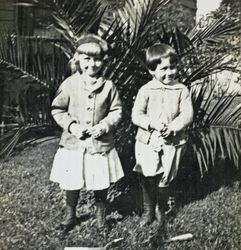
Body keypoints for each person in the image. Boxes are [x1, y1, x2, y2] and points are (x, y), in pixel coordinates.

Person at [50, 34, 124, 230]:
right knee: (71, 180)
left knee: (100, 180)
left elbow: (116, 111)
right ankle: (70, 214)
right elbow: (57, 109)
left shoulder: (108, 86)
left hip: (99, 144)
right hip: (74, 145)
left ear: (104, 61)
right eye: (87, 59)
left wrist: (104, 126)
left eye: (97, 59)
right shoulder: (69, 84)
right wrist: (73, 126)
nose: (92, 64)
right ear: (77, 60)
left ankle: (101, 217)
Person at [132, 43, 193, 227]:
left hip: (172, 141)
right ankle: (148, 209)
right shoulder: (146, 90)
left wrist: (173, 127)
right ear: (152, 71)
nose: (169, 73)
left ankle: (160, 208)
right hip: (148, 141)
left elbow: (187, 114)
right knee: (148, 173)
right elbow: (137, 114)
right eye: (163, 69)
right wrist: (151, 124)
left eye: (172, 67)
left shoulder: (181, 90)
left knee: (166, 175)